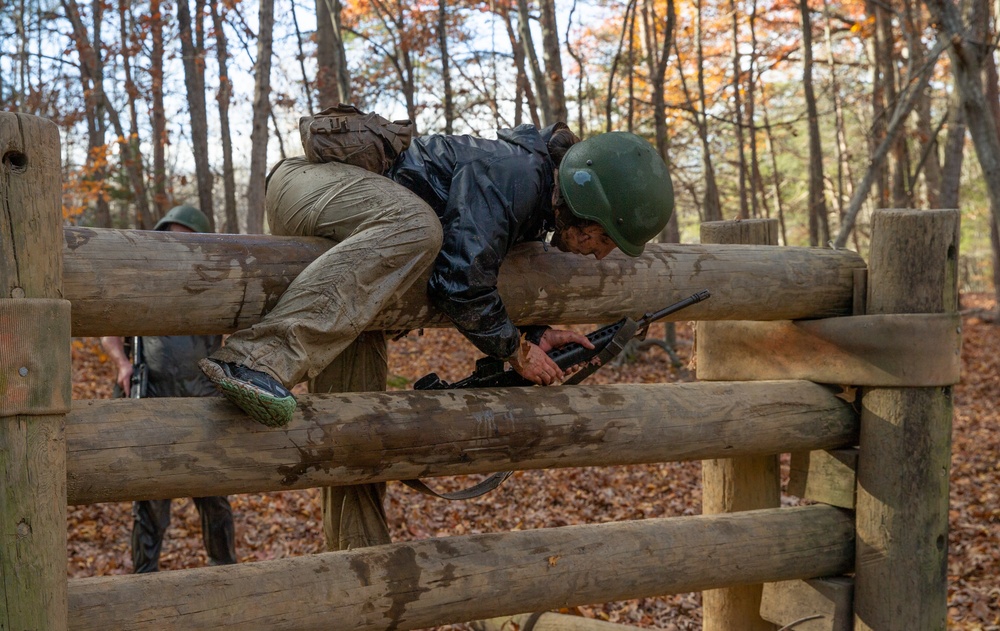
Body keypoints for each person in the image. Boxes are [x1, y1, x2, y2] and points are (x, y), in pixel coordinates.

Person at [199, 124, 673, 550]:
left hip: (360, 284)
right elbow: (460, 280)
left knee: (355, 435)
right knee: (415, 225)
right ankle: (255, 361)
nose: (601, 256)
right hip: (305, 183)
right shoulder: (513, 175)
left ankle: (357, 582)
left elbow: (477, 261)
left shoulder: (532, 203)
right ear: (587, 205)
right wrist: (516, 350)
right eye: (606, 240)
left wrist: (535, 332)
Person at [102, 204, 238, 572]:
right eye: (172, 235)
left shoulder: (218, 282)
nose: (178, 244)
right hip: (154, 403)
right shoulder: (141, 280)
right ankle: (145, 581)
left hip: (204, 406)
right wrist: (123, 363)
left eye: (187, 237)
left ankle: (225, 574)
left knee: (214, 500)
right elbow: (108, 327)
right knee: (149, 503)